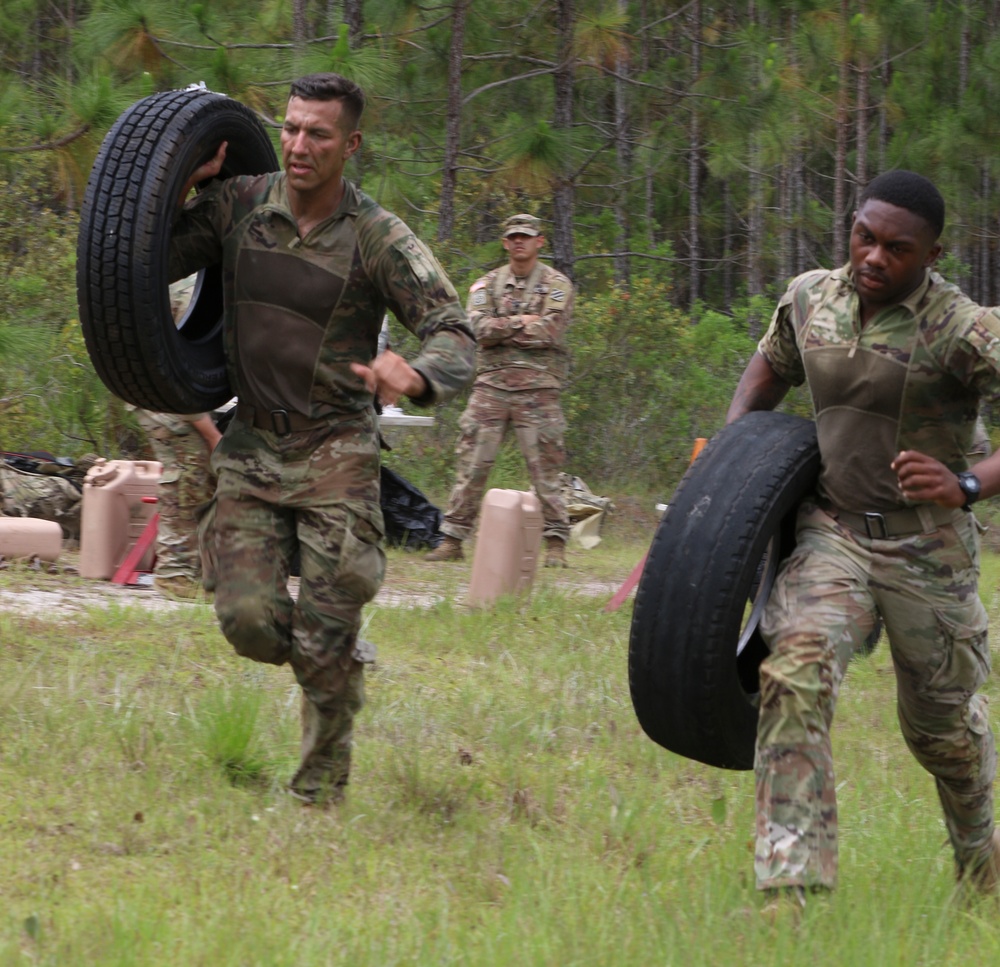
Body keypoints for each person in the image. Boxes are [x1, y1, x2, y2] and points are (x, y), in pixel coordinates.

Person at [168, 73, 476, 805]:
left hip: (337, 451)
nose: (300, 145)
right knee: (249, 622)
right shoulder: (240, 204)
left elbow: (457, 334)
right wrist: (184, 179)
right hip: (250, 445)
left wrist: (420, 372)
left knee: (322, 634)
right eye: (292, 128)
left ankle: (316, 795)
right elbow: (145, 256)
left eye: (319, 134)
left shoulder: (378, 236)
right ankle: (331, 650)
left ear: (352, 144)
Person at [725, 169, 1000, 906]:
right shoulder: (814, 296)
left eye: (897, 248)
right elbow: (764, 376)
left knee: (941, 733)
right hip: (834, 531)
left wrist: (968, 483)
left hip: (927, 550)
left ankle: (982, 863)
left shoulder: (963, 328)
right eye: (864, 236)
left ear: (933, 254)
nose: (874, 257)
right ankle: (790, 892)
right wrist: (727, 476)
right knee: (795, 672)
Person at [425, 213, 574, 568]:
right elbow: (477, 328)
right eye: (513, 237)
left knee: (545, 469)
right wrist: (522, 322)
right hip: (491, 386)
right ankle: (453, 540)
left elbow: (550, 330)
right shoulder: (486, 285)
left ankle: (555, 544)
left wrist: (502, 327)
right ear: (505, 243)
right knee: (471, 465)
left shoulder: (557, 284)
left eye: (526, 236)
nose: (519, 242)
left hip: (537, 388)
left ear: (540, 241)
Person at [132, 408, 221, 598]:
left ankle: (194, 575)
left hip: (165, 399)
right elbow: (184, 398)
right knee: (188, 476)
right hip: (172, 402)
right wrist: (212, 435)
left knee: (196, 478)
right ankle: (174, 576)